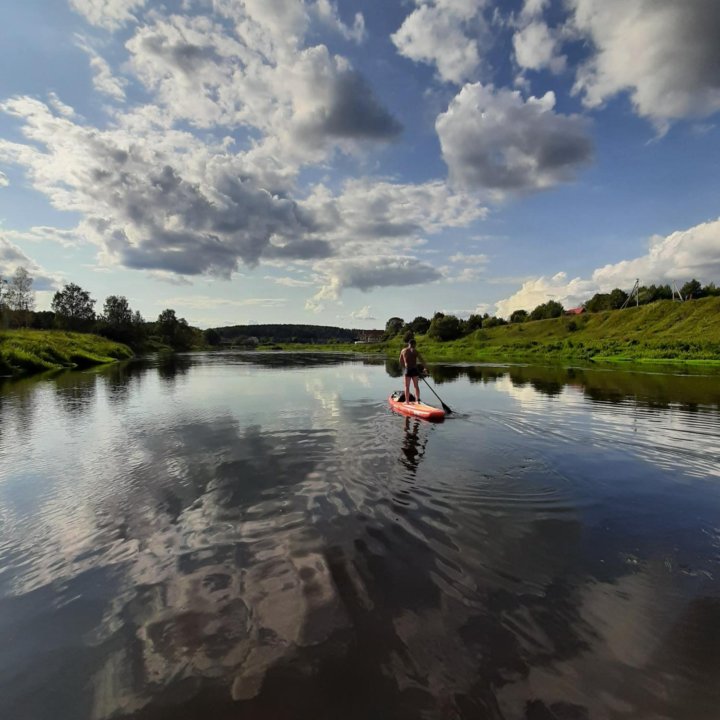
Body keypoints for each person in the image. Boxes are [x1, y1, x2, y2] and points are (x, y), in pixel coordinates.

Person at [399, 338, 426, 404]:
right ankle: (417, 401)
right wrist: (425, 368)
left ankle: (407, 401)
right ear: (414, 344)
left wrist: (404, 367)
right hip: (414, 370)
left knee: (406, 386)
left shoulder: (403, 350)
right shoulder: (415, 351)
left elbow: (400, 360)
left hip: (407, 369)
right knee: (416, 386)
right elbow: (422, 360)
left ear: (408, 344)